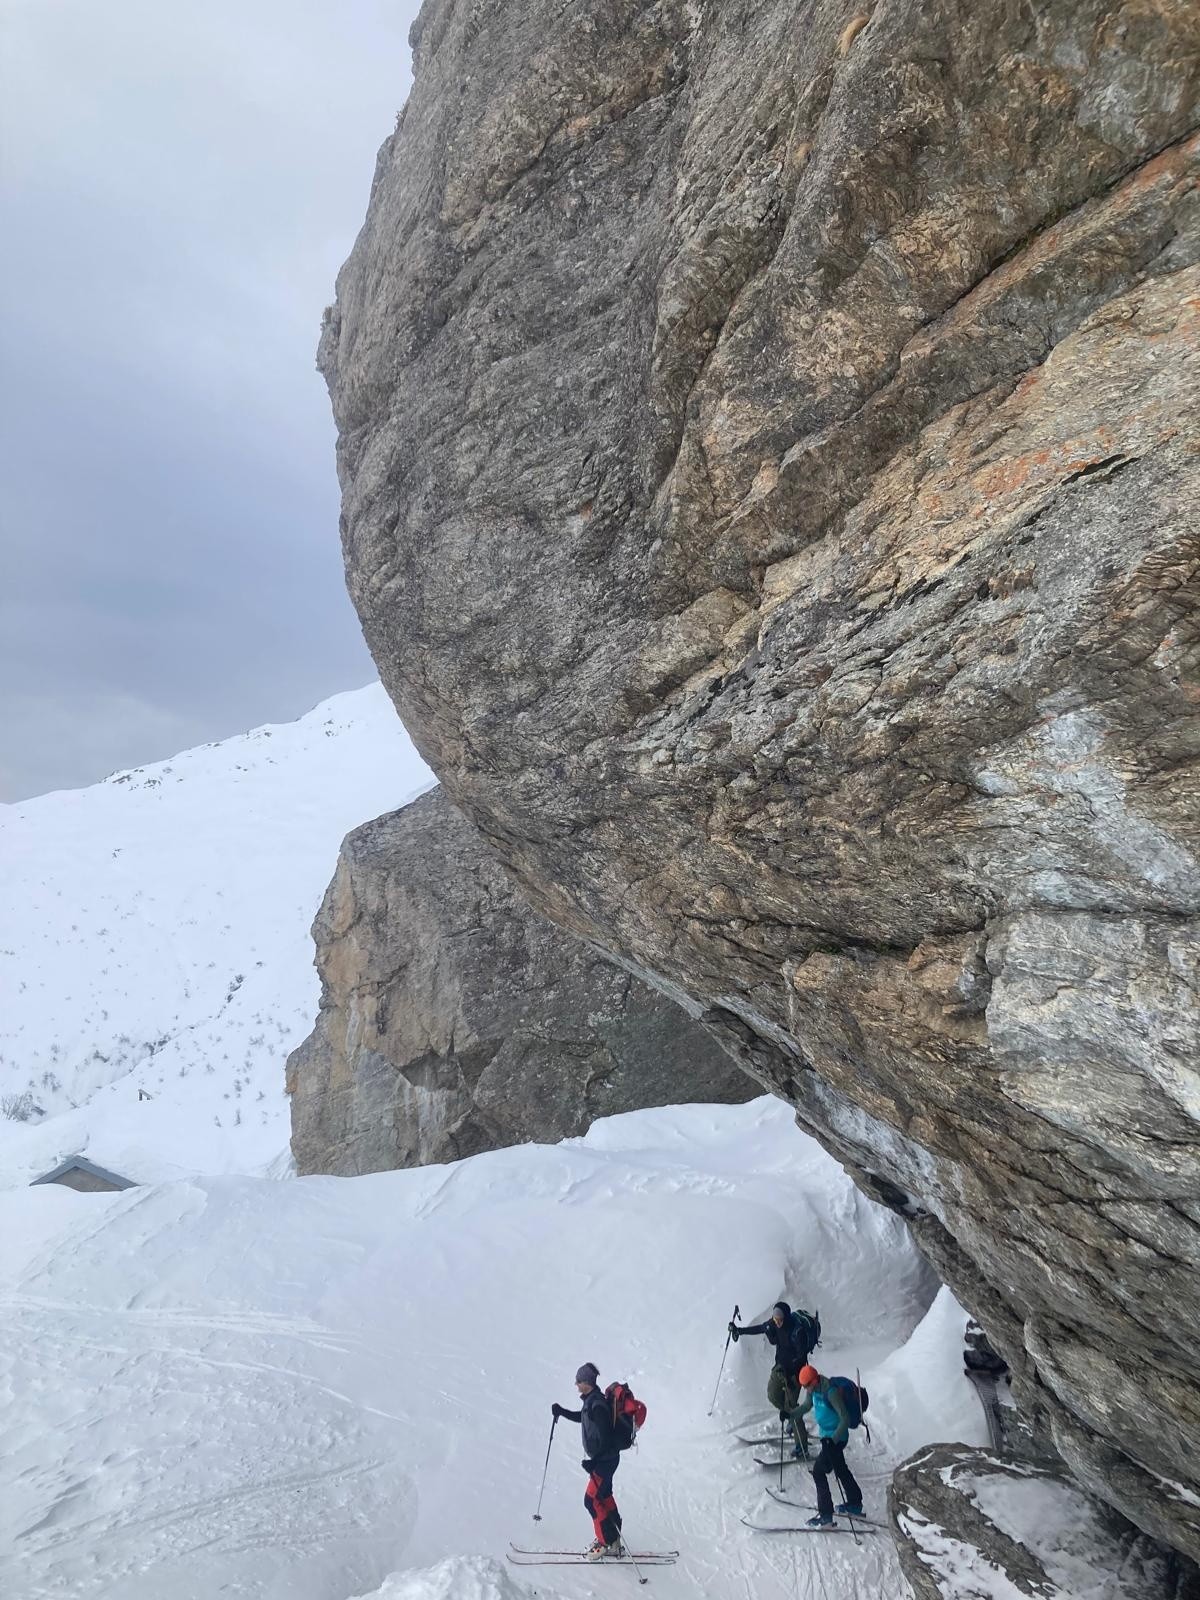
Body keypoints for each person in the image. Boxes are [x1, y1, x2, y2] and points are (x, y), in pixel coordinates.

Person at [552, 1362, 624, 1559]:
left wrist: (594, 1462)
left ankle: (605, 1542)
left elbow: (606, 1436)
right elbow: (584, 1418)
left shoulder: (597, 1404)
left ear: (587, 1383)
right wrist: (562, 1411)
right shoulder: (592, 1401)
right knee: (605, 1496)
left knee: (590, 1500)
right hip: (607, 1459)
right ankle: (614, 1538)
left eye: (578, 1381)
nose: (576, 1385)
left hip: (604, 1461)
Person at [729, 1301, 818, 1455]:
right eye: (775, 1319)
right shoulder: (774, 1322)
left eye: (779, 1320)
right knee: (773, 1395)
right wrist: (739, 1331)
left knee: (792, 1408)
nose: (776, 1322)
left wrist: (790, 1372)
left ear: (786, 1317)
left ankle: (802, 1448)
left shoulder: (797, 1332)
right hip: (780, 1368)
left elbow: (801, 1356)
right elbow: (760, 1328)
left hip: (796, 1374)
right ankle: (790, 1417)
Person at [795, 1364, 864, 1526]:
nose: (805, 1389)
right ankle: (855, 1503)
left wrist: (832, 1441)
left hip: (836, 1439)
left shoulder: (831, 1392)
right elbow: (805, 1406)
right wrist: (790, 1414)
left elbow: (845, 1418)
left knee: (819, 1472)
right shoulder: (813, 1391)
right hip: (827, 1439)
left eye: (806, 1385)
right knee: (840, 1468)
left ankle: (826, 1516)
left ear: (814, 1381)